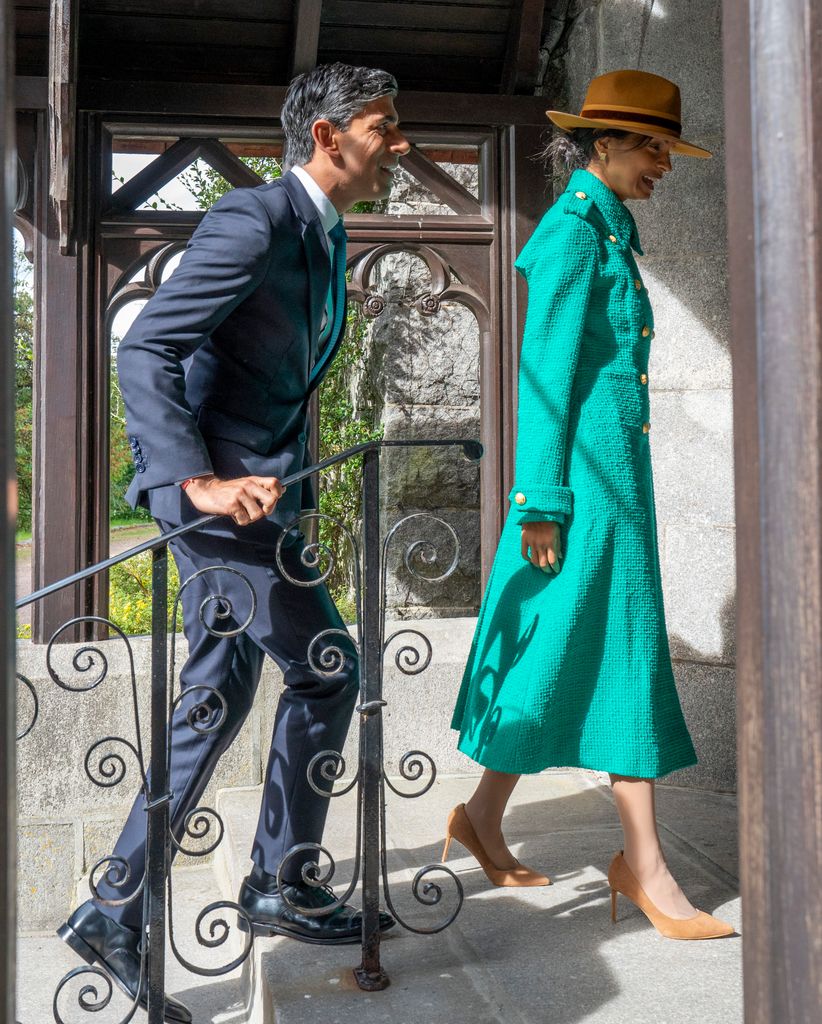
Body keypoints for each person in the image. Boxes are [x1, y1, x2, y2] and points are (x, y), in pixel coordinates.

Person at [57, 63, 411, 1021]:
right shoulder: (255, 218)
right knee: (329, 665)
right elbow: (145, 345)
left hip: (260, 503)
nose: (401, 142)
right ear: (329, 136)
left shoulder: (326, 232)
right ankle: (278, 884)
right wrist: (194, 479)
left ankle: (122, 909)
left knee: (216, 695)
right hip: (218, 507)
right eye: (385, 126)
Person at [448, 70, 734, 940]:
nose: (666, 166)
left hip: (611, 482)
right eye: (654, 147)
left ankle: (480, 818)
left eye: (668, 149)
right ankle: (644, 866)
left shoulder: (606, 228)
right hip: (583, 491)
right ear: (603, 143)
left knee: (549, 654)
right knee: (624, 652)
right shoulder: (576, 235)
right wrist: (543, 501)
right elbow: (544, 382)